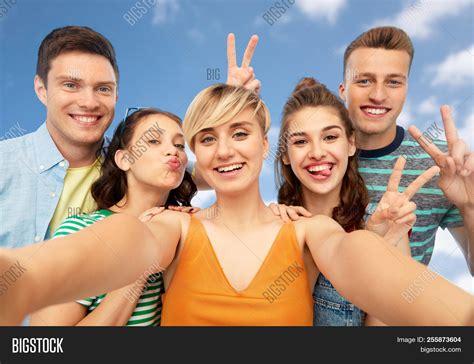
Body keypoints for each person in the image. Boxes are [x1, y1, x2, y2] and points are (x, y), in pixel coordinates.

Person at [1, 84, 472, 326]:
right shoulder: (173, 227)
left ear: (267, 146)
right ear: (197, 155)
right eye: (207, 138)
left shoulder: (307, 230)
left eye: (240, 134)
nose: (224, 151)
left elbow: (358, 259)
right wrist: (20, 279)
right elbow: (123, 243)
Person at [0, 28, 259, 248]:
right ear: (41, 89)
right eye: (70, 85)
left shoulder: (133, 164)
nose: (89, 102)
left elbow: (218, 168)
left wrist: (231, 105)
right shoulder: (5, 163)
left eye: (103, 89)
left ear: (116, 95)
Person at [309, 26, 474, 326]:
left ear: (407, 88)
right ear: (343, 89)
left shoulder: (441, 166)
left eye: (393, 82)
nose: (378, 94)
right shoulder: (312, 160)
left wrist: (471, 204)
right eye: (364, 80)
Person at [275, 77, 437, 325]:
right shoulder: (273, 225)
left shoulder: (385, 223)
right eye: (300, 141)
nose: (317, 152)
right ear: (285, 155)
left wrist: (379, 254)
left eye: (330, 137)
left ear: (350, 144)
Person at [29, 108, 197, 326]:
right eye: (154, 141)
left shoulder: (184, 230)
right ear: (125, 159)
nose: (172, 152)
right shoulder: (82, 232)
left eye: (179, 145)